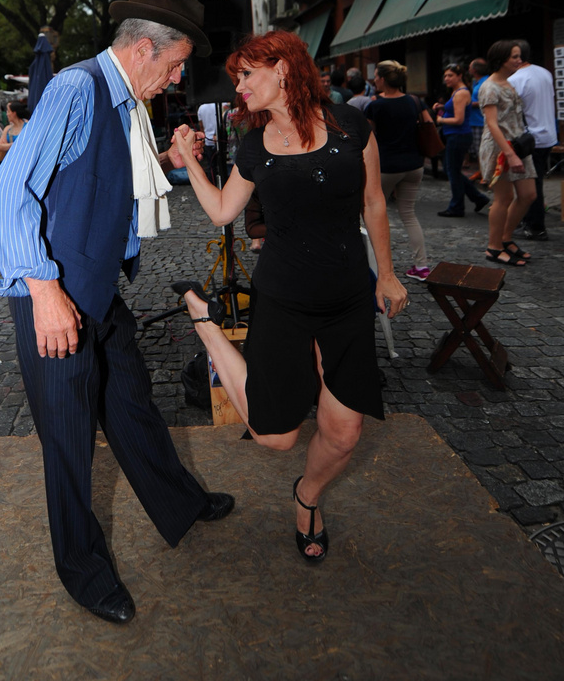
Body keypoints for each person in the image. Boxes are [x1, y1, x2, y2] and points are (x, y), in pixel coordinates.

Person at [0, 0, 234, 626]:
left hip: (95, 290)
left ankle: (178, 502)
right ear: (145, 47)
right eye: (176, 64)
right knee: (69, 443)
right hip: (54, 295)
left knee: (130, 403)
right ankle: (83, 570)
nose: (178, 77)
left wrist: (169, 159)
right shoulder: (75, 88)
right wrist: (44, 292)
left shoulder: (122, 96)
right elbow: (10, 191)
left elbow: (91, 170)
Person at [171, 31, 408, 563]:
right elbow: (222, 212)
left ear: (282, 69)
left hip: (348, 295)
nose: (239, 87)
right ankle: (207, 323)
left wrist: (387, 275)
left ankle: (307, 496)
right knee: (274, 435)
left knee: (344, 433)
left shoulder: (352, 126)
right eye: (236, 78)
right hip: (283, 296)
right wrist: (189, 158)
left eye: (246, 75)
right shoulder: (254, 144)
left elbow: (373, 203)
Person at [366, 60, 431, 281]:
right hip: (414, 165)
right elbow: (429, 124)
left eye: (376, 76)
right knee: (409, 215)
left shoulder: (375, 106)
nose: (374, 79)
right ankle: (421, 267)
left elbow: (367, 138)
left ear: (383, 79)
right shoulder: (415, 101)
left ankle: (375, 265)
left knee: (373, 214)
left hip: (386, 167)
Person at [478, 40, 537, 267]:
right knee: (503, 198)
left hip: (518, 144)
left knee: (528, 194)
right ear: (501, 59)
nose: (519, 60)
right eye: (514, 56)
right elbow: (492, 124)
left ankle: (505, 238)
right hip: (499, 147)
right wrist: (509, 154)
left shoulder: (509, 82)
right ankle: (494, 247)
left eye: (519, 56)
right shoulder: (489, 86)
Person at [508, 39, 557, 241]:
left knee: (530, 184)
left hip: (530, 138)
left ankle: (535, 226)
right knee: (536, 181)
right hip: (548, 134)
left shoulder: (516, 79)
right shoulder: (544, 72)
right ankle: (531, 221)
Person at [433, 63, 489, 218]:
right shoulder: (457, 92)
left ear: (459, 76)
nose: (446, 79)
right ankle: (478, 198)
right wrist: (443, 107)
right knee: (452, 170)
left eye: (450, 75)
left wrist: (440, 120)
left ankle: (457, 206)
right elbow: (456, 109)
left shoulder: (461, 93)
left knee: (452, 171)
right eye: (445, 76)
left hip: (459, 135)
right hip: (455, 135)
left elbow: (459, 119)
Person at [468, 58, 489, 174]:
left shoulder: (485, 82)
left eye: (470, 67)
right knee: (477, 150)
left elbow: (486, 101)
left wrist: (468, 103)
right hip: (474, 120)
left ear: (475, 69)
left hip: (480, 121)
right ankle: (482, 172)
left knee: (481, 150)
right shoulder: (476, 82)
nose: (469, 69)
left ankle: (485, 174)